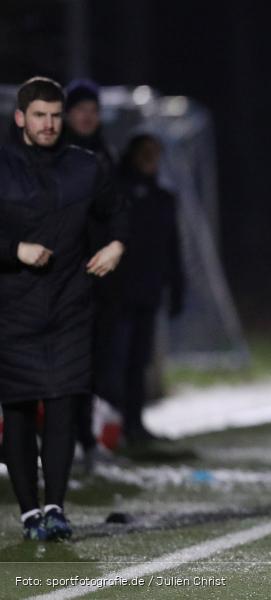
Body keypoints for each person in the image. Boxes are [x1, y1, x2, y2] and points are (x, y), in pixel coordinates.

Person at [0, 77, 127, 540]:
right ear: (20, 118)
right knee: (17, 409)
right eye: (40, 116)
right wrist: (14, 250)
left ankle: (55, 507)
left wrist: (116, 244)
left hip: (69, 305)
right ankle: (29, 512)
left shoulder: (85, 166)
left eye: (55, 115)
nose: (49, 124)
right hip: (12, 307)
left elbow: (118, 211)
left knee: (62, 405)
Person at [95, 133, 184, 444]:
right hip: (117, 294)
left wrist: (177, 285)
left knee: (139, 363)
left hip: (148, 293)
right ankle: (108, 427)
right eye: (144, 153)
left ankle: (133, 423)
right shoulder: (116, 192)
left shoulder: (164, 199)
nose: (150, 159)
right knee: (113, 362)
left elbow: (172, 247)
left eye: (154, 154)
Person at [63, 78, 115, 472]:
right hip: (57, 278)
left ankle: (85, 439)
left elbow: (116, 217)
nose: (86, 116)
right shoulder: (52, 156)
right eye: (79, 108)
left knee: (89, 366)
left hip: (95, 280)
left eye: (92, 110)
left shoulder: (103, 157)